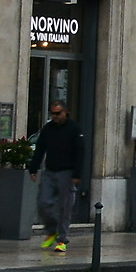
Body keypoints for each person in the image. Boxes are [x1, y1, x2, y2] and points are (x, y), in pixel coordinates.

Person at [32, 101, 85, 253]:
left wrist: (77, 174)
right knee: (43, 203)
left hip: (67, 173)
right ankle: (51, 230)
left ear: (65, 112)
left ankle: (62, 239)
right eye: (52, 113)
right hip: (50, 172)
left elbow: (80, 152)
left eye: (58, 113)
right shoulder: (48, 129)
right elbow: (40, 148)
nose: (55, 116)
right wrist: (33, 168)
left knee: (65, 208)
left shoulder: (74, 129)